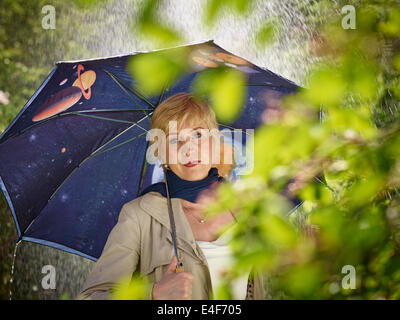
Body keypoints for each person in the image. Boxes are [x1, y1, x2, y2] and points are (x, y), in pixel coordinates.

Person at [77, 93, 265, 300]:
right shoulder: (138, 216)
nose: (188, 148)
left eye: (198, 135)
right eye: (175, 139)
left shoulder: (245, 211)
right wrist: (152, 294)